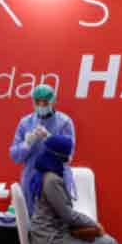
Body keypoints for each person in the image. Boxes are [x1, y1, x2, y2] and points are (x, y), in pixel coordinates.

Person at [10, 84, 76, 215]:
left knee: (58, 220)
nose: (41, 106)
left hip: (57, 180)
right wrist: (27, 143)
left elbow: (67, 157)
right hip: (31, 178)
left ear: (53, 101)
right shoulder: (25, 123)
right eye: (37, 102)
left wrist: (49, 138)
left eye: (45, 102)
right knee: (31, 220)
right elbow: (15, 156)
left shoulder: (64, 122)